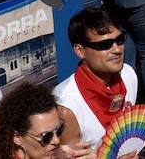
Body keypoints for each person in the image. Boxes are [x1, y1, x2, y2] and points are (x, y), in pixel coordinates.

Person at [52, 8, 137, 151]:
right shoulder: (67, 107)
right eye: (105, 45)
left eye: (120, 40)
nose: (117, 50)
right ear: (80, 51)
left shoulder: (129, 75)